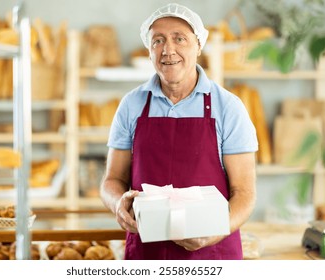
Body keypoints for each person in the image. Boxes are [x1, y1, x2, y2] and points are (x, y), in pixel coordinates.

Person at [100, 3, 258, 260]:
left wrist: (215, 232)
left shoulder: (228, 107)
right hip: (146, 254)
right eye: (158, 40)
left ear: (198, 45)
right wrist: (117, 203)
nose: (168, 50)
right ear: (149, 51)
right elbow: (112, 180)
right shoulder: (131, 105)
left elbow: (245, 193)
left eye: (179, 39)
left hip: (211, 256)